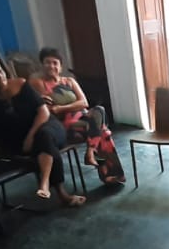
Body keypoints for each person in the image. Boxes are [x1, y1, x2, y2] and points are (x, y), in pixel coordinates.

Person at [0, 56, 86, 207]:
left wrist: (30, 136)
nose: (0, 75)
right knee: (43, 142)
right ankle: (53, 189)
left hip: (48, 126)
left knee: (43, 136)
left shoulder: (20, 84)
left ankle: (50, 186)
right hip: (21, 143)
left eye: (0, 71)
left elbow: (44, 112)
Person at [29, 46, 125, 185]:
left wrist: (61, 108)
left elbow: (84, 102)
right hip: (66, 127)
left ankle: (91, 151)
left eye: (55, 63)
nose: (51, 66)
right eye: (47, 62)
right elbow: (46, 108)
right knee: (103, 132)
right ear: (42, 65)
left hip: (84, 119)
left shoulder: (69, 81)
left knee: (99, 110)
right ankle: (108, 173)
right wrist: (68, 107)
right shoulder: (38, 83)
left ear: (60, 66)